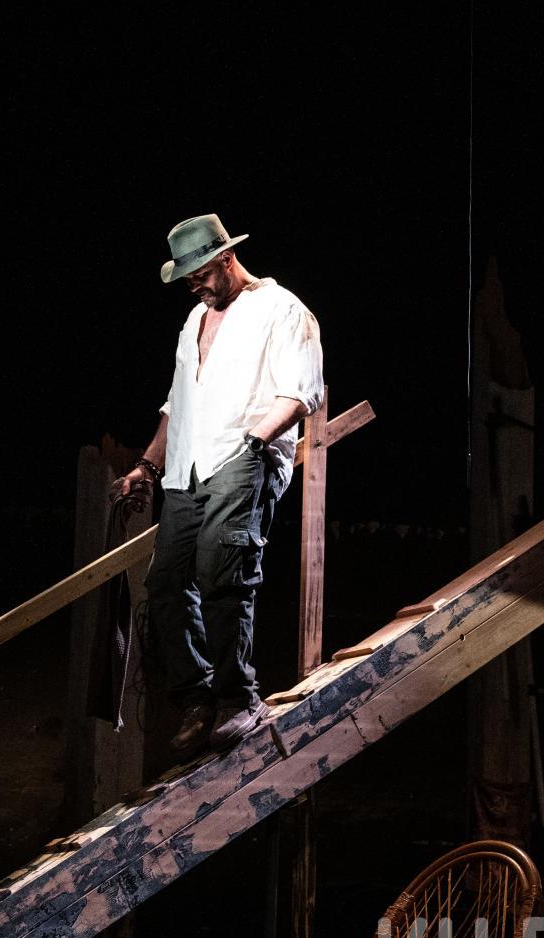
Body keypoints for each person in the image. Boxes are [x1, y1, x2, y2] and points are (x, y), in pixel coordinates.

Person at [115, 214, 324, 758]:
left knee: (222, 573)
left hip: (243, 458)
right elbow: (177, 405)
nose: (195, 286)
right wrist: (147, 466)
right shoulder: (194, 320)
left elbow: (302, 392)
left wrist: (255, 443)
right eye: (187, 279)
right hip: (187, 468)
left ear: (226, 258)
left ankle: (238, 700)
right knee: (165, 582)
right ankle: (196, 699)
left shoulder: (282, 309)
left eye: (201, 275)